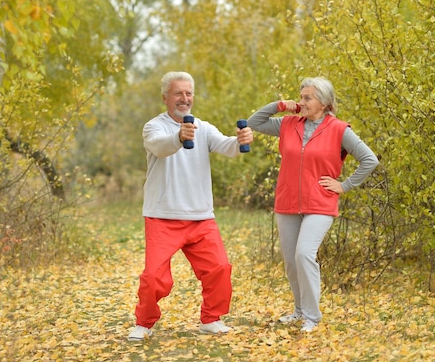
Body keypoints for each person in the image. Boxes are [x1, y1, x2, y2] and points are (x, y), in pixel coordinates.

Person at [128, 71, 254, 340]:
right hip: (163, 216)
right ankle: (144, 323)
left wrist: (240, 141)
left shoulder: (203, 127)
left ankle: (211, 319)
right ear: (165, 98)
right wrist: (178, 137)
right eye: (178, 93)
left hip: (200, 217)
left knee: (219, 268)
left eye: (188, 93)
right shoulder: (154, 127)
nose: (184, 98)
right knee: (154, 278)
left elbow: (226, 146)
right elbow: (161, 147)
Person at [247, 77, 379, 332]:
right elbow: (254, 123)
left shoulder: (339, 129)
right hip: (287, 201)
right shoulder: (288, 124)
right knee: (291, 261)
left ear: (324, 102)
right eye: (301, 96)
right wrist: (281, 105)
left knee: (304, 254)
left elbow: (369, 159)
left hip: (320, 202)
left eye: (307, 98)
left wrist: (345, 185)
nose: (302, 102)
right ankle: (299, 311)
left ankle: (312, 316)